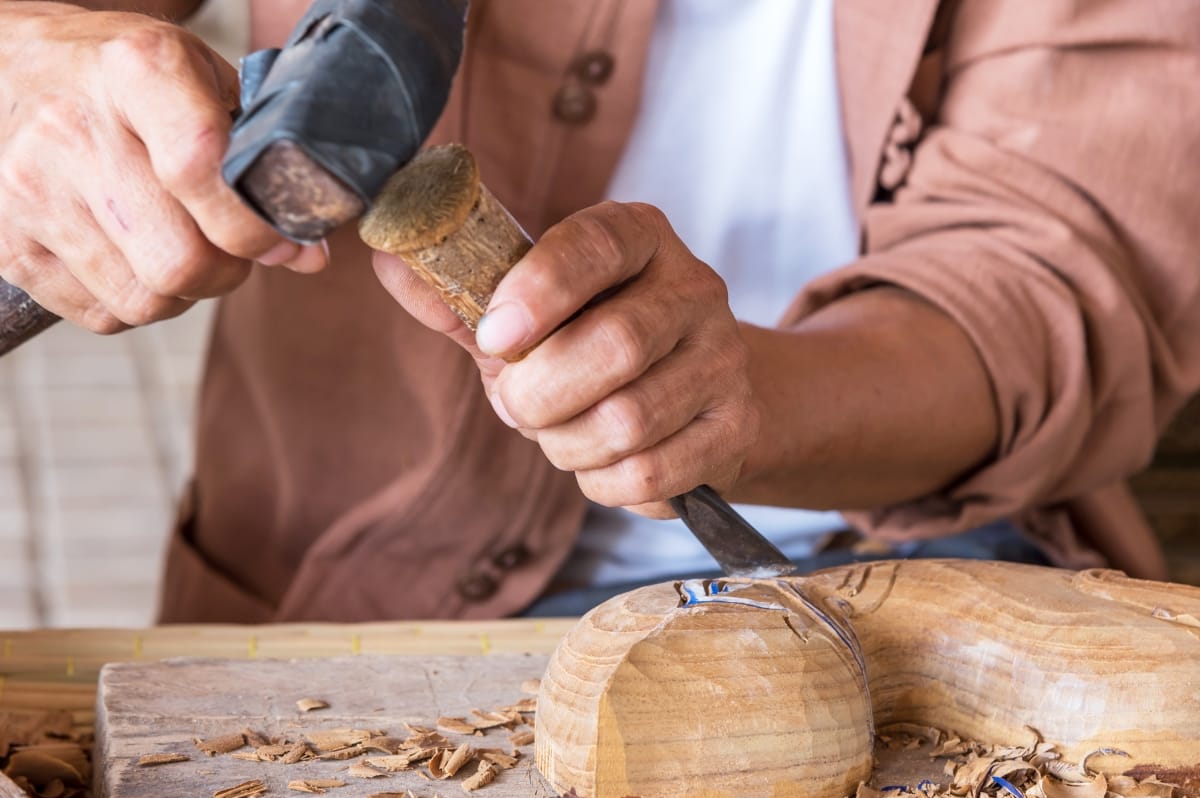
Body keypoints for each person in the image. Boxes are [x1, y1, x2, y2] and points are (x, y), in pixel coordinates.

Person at [1, 0, 1197, 622]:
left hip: (891, 562)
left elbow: (1056, 279)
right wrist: (28, 65)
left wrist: (749, 398)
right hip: (353, 583)